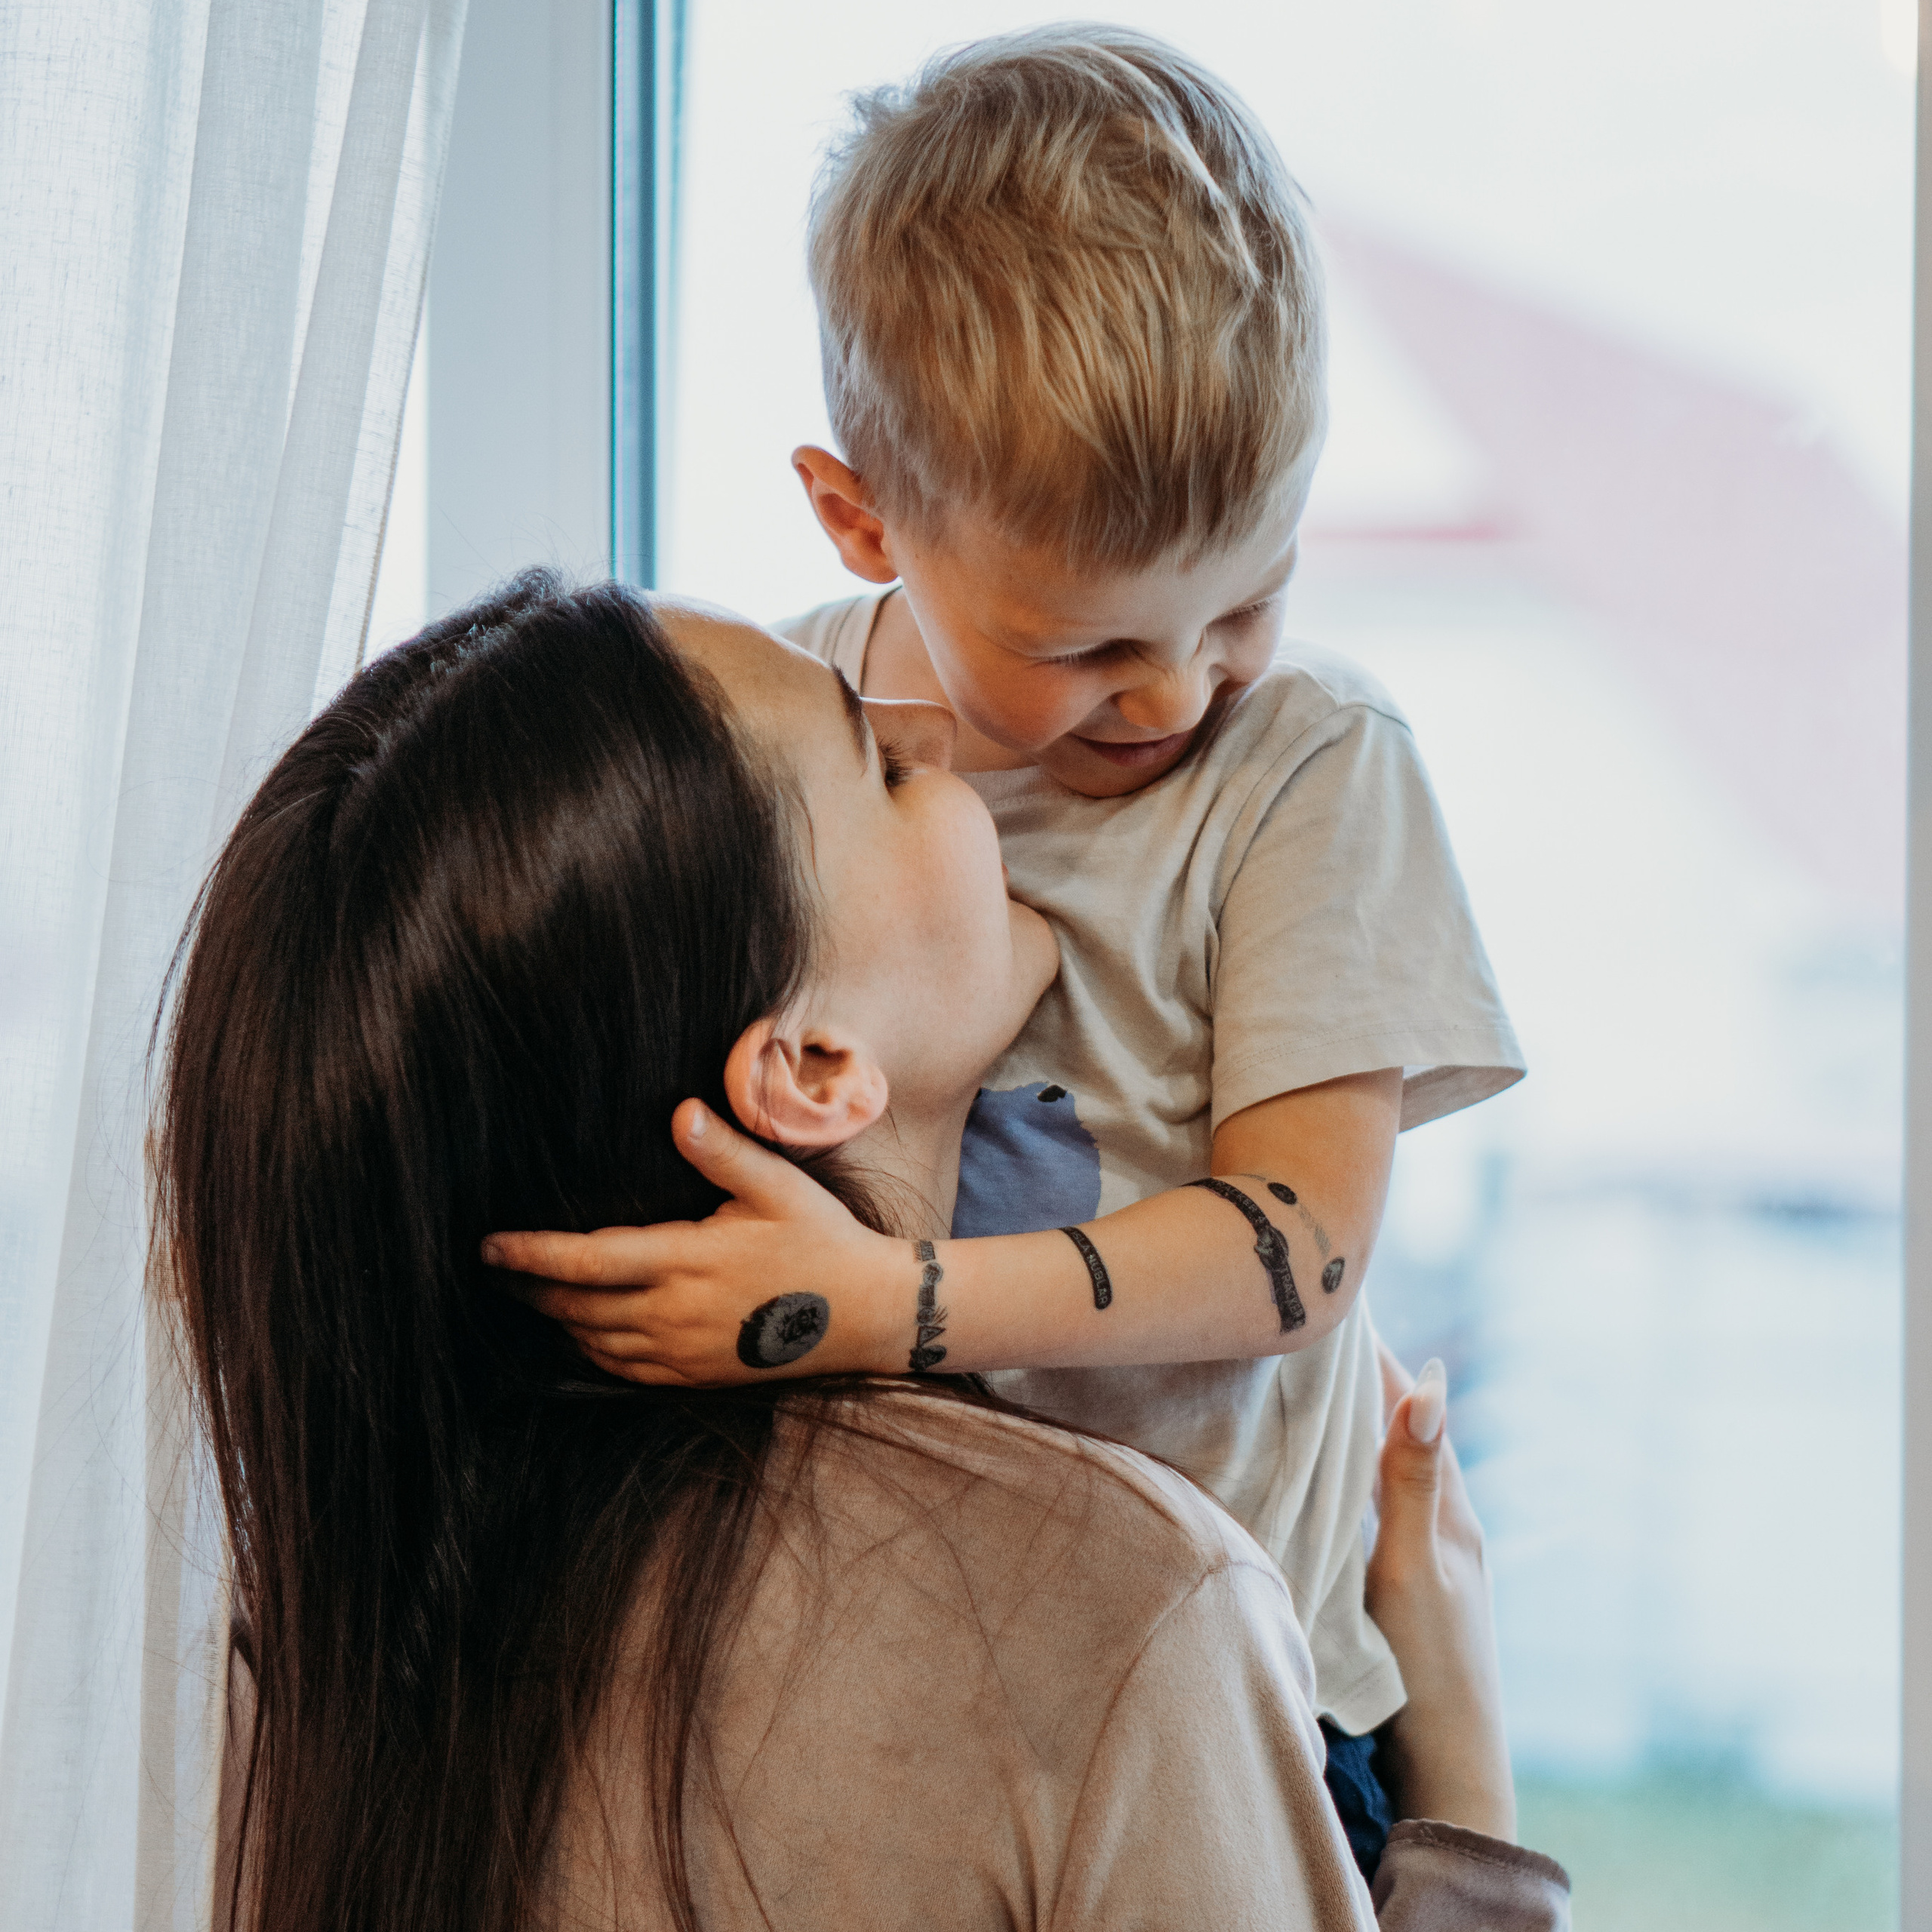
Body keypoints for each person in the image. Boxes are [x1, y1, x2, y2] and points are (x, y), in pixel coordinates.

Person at [485, 26, 1524, 1869]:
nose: (1180, 689)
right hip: (918, 1648)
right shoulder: (793, 739)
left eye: (1248, 596)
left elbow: (1301, 1242)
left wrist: (888, 1303)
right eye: (1088, 643)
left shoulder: (1307, 767)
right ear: (860, 517)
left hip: (1253, 1681)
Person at [158, 577, 1567, 1930]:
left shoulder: (328, 1643)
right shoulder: (1123, 1610)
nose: (935, 730)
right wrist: (1467, 1782)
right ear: (817, 1065)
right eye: (881, 767)